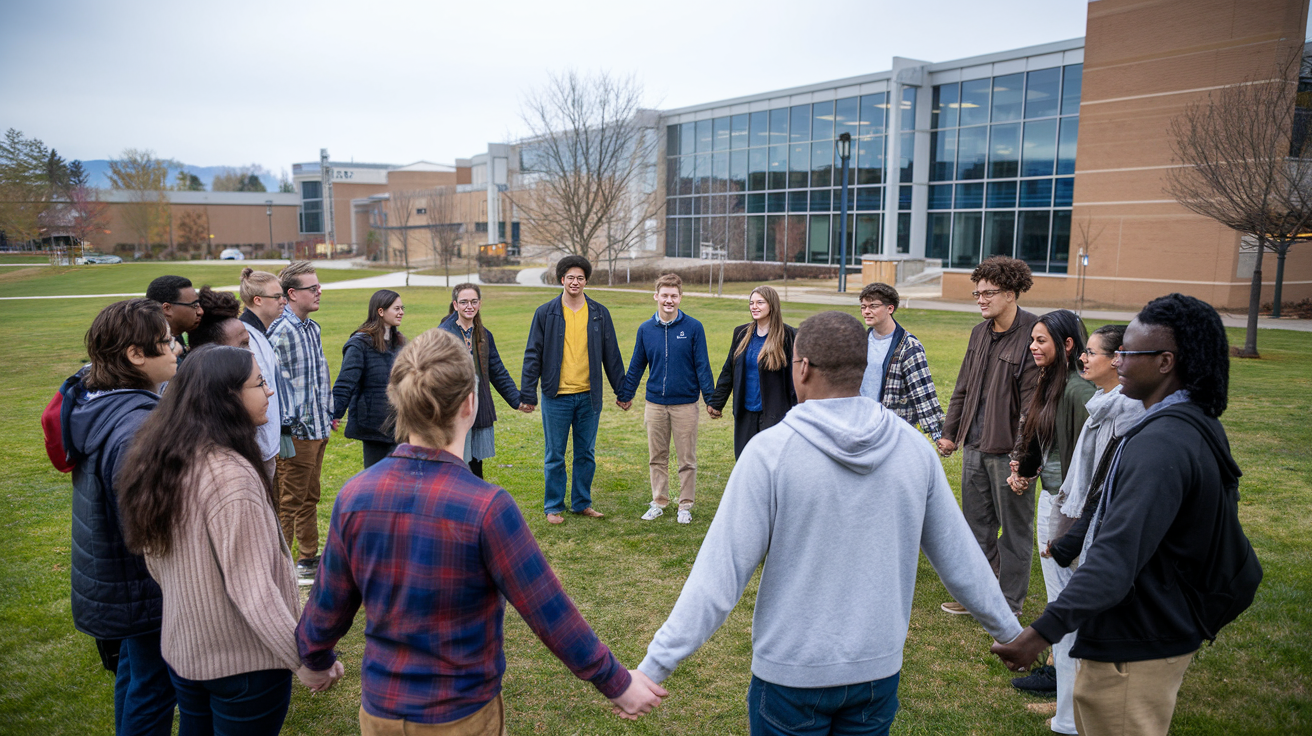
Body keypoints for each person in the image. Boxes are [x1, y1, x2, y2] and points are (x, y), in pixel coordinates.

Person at [637, 312, 1023, 736]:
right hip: (876, 674)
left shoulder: (770, 452)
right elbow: (961, 556)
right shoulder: (914, 449)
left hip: (792, 678)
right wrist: (1010, 631)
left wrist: (655, 665)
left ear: (801, 369)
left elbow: (719, 575)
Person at [296, 328, 666, 734]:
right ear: (470, 403)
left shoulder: (355, 494)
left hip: (380, 715)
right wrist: (618, 683)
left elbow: (327, 603)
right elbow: (547, 609)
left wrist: (314, 660)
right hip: (461, 717)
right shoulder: (486, 507)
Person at [993, 294, 1249, 736]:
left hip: (1138, 639)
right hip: (1152, 625)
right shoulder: (1175, 421)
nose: (1119, 361)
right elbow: (1110, 493)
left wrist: (1038, 634)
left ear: (1166, 361)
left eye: (1129, 352)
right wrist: (1073, 541)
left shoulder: (1163, 442)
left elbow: (1116, 555)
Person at [117, 345, 343, 736]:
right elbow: (254, 588)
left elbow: (155, 560)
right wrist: (306, 659)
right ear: (227, 398)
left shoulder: (163, 458)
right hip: (244, 667)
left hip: (186, 652)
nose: (269, 391)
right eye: (259, 383)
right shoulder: (230, 477)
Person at [60, 298, 178, 736]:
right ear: (135, 355)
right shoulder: (135, 426)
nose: (176, 350)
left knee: (136, 674)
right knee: (153, 685)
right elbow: (152, 521)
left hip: (121, 581)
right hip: (138, 584)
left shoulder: (103, 404)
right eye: (165, 343)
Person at [1002, 310, 1095, 734]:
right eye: (1032, 340)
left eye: (1041, 341)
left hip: (1067, 510)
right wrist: (1025, 468)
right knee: (1064, 599)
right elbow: (1043, 438)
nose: (1033, 347)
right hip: (1053, 499)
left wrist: (1070, 525)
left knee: (1066, 603)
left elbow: (1086, 467)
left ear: (1068, 344)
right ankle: (1065, 691)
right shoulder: (1052, 383)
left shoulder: (1078, 391)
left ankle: (1069, 714)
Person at [936, 256, 1040, 617]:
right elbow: (963, 388)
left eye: (988, 293)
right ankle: (978, 596)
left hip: (1008, 454)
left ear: (1011, 293)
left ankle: (1008, 604)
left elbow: (1033, 407)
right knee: (975, 528)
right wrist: (951, 434)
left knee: (1014, 533)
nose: (980, 299)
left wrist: (1022, 460)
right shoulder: (979, 333)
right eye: (976, 293)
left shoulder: (1033, 335)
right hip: (974, 447)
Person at [520, 256, 625, 524]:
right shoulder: (545, 313)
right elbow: (533, 355)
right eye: (570, 277)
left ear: (586, 280)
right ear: (561, 280)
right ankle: (553, 506)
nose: (575, 282)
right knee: (555, 454)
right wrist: (528, 394)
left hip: (589, 397)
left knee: (585, 454)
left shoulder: (599, 313)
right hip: (556, 396)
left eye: (580, 277)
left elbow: (611, 356)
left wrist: (622, 392)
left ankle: (581, 503)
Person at [616, 274, 716, 524]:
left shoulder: (694, 328)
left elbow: (703, 365)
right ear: (656, 296)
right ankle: (659, 501)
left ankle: (685, 505)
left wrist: (711, 400)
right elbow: (637, 365)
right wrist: (626, 395)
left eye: (674, 296)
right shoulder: (646, 329)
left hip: (685, 404)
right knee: (657, 457)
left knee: (687, 459)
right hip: (655, 405)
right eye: (665, 295)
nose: (669, 300)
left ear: (680, 298)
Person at [267, 261, 334, 580]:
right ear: (291, 294)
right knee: (289, 501)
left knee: (310, 495)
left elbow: (320, 375)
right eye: (313, 288)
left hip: (319, 428)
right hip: (295, 434)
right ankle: (278, 569)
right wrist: (288, 425)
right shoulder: (279, 331)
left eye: (319, 286)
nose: (319, 292)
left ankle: (308, 558)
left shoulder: (313, 328)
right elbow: (271, 382)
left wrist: (329, 412)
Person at [438, 282, 529, 479]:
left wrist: (517, 400)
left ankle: (474, 502)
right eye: (463, 302)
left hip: (477, 405)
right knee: (456, 460)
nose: (469, 306)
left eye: (473, 301)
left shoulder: (484, 335)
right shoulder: (444, 334)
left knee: (475, 461)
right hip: (453, 408)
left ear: (479, 304)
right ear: (455, 305)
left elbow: (497, 370)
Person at [707, 285, 798, 459]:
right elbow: (729, 370)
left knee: (771, 463)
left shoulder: (788, 336)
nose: (754, 307)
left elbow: (795, 379)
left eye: (760, 302)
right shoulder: (741, 333)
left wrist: (797, 411)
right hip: (745, 413)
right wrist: (717, 402)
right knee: (745, 461)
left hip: (775, 414)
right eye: (751, 303)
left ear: (772, 305)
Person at [857, 282, 944, 441]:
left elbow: (923, 392)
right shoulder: (858, 341)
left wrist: (939, 434)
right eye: (863, 307)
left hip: (893, 431)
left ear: (890, 308)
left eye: (873, 306)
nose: (866, 312)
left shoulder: (909, 346)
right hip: (860, 425)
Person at [332, 289, 407, 469]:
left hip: (400, 424)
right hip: (374, 426)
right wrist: (334, 413)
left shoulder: (400, 342)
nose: (401, 312)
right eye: (396, 308)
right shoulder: (359, 344)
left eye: (402, 308)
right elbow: (345, 382)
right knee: (378, 482)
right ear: (380, 311)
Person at [237, 268, 287, 477]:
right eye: (276, 297)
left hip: (266, 442)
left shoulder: (259, 333)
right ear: (257, 300)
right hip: (256, 444)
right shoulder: (245, 335)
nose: (283, 301)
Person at [146, 275, 203, 362]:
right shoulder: (151, 350)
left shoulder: (175, 335)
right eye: (194, 305)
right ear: (167, 308)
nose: (200, 312)